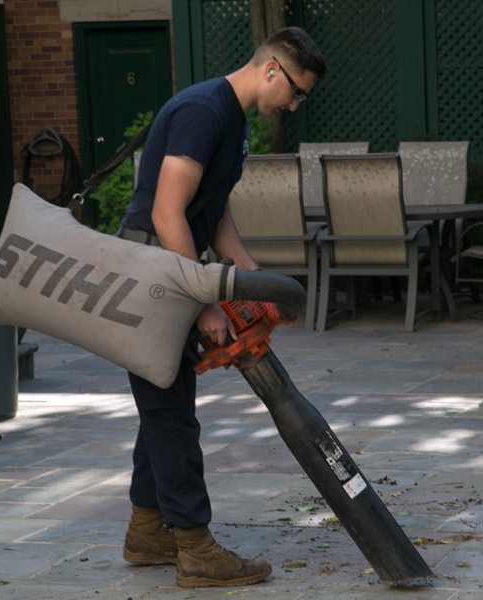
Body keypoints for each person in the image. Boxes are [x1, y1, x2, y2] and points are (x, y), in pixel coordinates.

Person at [116, 27, 326, 588]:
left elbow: (214, 213)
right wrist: (203, 299)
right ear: (273, 71)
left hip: (171, 269)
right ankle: (195, 549)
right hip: (153, 273)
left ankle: (147, 530)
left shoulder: (231, 122)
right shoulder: (203, 112)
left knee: (164, 401)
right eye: (297, 91)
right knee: (171, 415)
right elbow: (166, 212)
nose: (296, 103)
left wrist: (251, 278)